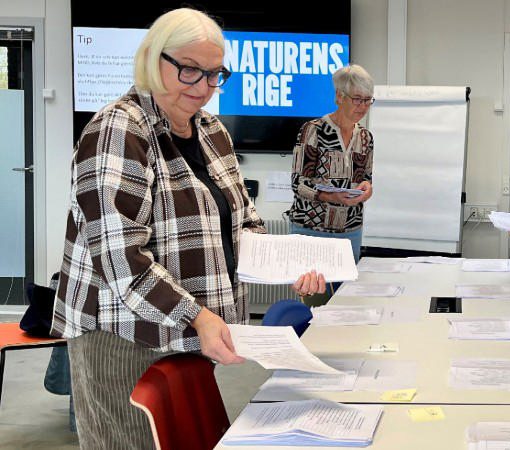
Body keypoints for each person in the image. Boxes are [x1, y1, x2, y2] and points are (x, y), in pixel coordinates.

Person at [50, 9, 324, 449]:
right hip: (124, 339)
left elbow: (243, 223)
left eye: (215, 74)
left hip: (188, 333)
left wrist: (285, 264)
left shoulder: (212, 131)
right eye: (190, 70)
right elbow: (123, 260)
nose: (203, 89)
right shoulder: (118, 130)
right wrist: (197, 316)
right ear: (153, 59)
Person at [287, 64, 375, 273]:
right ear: (339, 96)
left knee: (344, 300)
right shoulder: (313, 130)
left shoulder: (365, 137)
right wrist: (331, 197)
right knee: (313, 300)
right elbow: (298, 184)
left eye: (367, 100)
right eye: (357, 99)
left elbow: (366, 178)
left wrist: (366, 188)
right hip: (311, 231)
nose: (362, 107)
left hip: (350, 231)